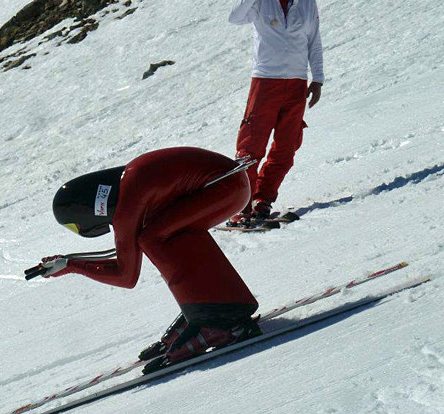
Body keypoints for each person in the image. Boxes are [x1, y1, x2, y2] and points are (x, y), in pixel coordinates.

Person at [38, 147, 261, 370]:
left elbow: (126, 276)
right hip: (230, 183)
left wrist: (72, 266)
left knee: (154, 237)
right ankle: (217, 305)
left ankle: (217, 322)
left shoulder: (127, 207)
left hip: (226, 186)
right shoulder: (129, 185)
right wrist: (68, 262)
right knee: (165, 231)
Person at [228, 0, 324, 226]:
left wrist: (318, 79)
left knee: (286, 147)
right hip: (265, 81)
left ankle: (262, 200)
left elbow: (313, 39)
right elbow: (234, 17)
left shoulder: (306, 3)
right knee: (250, 147)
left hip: (296, 83)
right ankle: (241, 206)